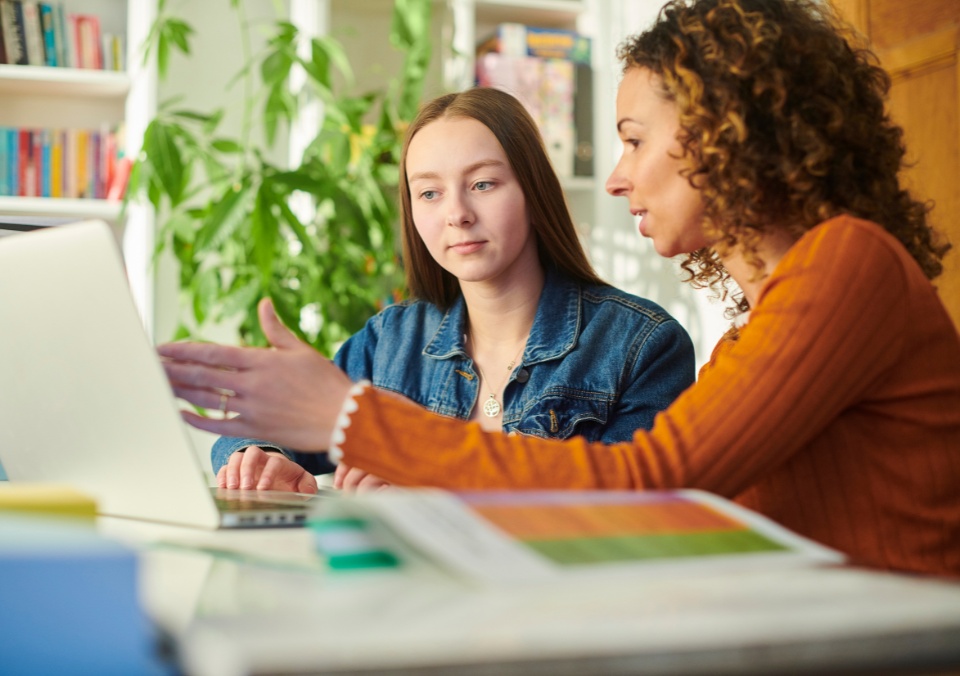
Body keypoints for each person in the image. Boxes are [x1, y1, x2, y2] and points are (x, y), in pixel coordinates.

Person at [159, 0, 960, 576]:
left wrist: (352, 421)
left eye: (635, 140)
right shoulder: (767, 316)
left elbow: (646, 489)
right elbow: (685, 521)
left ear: (728, 132)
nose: (616, 177)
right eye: (428, 192)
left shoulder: (846, 264)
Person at [207, 86, 696, 494]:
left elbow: (632, 513)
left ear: (533, 191)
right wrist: (262, 457)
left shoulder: (640, 345)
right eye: (429, 193)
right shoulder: (390, 342)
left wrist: (433, 489)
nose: (456, 213)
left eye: (482, 184)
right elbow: (264, 427)